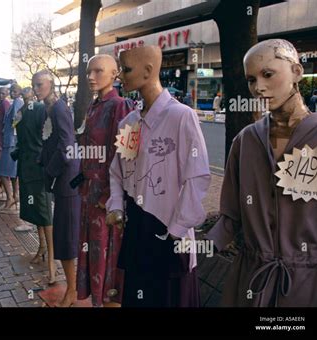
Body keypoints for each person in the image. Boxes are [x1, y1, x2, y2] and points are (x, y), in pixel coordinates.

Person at [207, 39, 317, 307]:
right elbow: (231, 214)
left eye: (268, 74)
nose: (258, 87)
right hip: (252, 280)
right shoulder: (246, 141)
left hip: (310, 284)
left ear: (296, 71)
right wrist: (198, 247)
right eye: (250, 79)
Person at [106, 46, 211, 307]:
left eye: (126, 69)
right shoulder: (129, 123)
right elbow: (117, 172)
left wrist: (176, 230)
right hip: (138, 226)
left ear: (149, 70)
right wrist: (116, 205)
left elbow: (197, 176)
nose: (120, 75)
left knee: (169, 298)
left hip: (169, 228)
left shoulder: (181, 116)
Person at [76, 55, 134, 307]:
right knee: (92, 253)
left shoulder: (121, 105)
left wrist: (109, 196)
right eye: (89, 72)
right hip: (89, 193)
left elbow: (125, 154)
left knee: (108, 259)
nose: (91, 77)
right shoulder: (93, 106)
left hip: (107, 199)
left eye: (98, 71)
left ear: (114, 74)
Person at [35, 70, 81, 307]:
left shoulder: (60, 108)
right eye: (34, 84)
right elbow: (51, 140)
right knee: (64, 236)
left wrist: (49, 170)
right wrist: (42, 160)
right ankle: (73, 287)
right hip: (60, 178)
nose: (36, 88)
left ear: (51, 84)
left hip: (67, 180)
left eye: (40, 84)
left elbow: (66, 144)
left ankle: (72, 290)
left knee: (67, 238)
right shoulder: (48, 108)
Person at [12, 87, 56, 283]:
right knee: (39, 213)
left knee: (44, 214)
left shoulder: (31, 110)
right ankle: (44, 250)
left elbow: (49, 138)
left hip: (34, 168)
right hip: (30, 167)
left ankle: (52, 263)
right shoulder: (25, 111)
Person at [0, 84, 22, 213]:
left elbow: (16, 120)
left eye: (14, 91)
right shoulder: (14, 103)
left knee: (3, 171)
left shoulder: (16, 103)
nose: (12, 93)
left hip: (10, 142)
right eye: (11, 91)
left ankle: (10, 198)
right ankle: (15, 196)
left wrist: (12, 128)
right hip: (11, 141)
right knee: (13, 172)